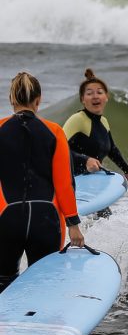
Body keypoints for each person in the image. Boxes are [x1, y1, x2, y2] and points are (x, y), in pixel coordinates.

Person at [0, 72, 84, 293]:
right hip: (45, 219)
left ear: (11, 100)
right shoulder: (54, 132)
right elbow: (64, 183)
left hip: (6, 219)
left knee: (3, 284)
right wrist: (73, 224)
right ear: (38, 100)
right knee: (45, 287)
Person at [63, 68, 128, 195]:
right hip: (70, 183)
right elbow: (58, 149)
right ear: (82, 99)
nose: (95, 96)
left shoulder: (103, 122)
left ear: (106, 97)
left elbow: (112, 149)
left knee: (105, 215)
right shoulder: (78, 119)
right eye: (89, 93)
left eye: (99, 92)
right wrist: (85, 160)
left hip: (90, 182)